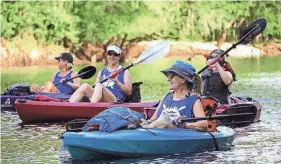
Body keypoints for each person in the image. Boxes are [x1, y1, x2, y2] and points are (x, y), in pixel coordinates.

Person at [141, 60, 208, 131]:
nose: (168, 79)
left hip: (179, 136)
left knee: (164, 123)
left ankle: (144, 130)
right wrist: (144, 122)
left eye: (172, 76)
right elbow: (153, 120)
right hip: (158, 134)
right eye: (168, 76)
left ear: (182, 79)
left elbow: (204, 124)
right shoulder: (166, 97)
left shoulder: (194, 100)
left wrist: (186, 125)